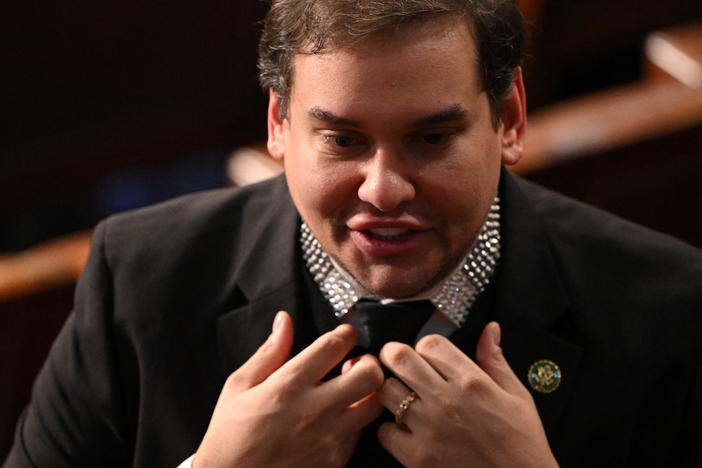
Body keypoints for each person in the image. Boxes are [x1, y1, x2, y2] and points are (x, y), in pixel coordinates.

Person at [5, 0, 702, 467]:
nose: (383, 190)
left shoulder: (671, 307)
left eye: (432, 137)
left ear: (510, 119)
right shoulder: (135, 279)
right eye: (342, 139)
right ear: (279, 125)